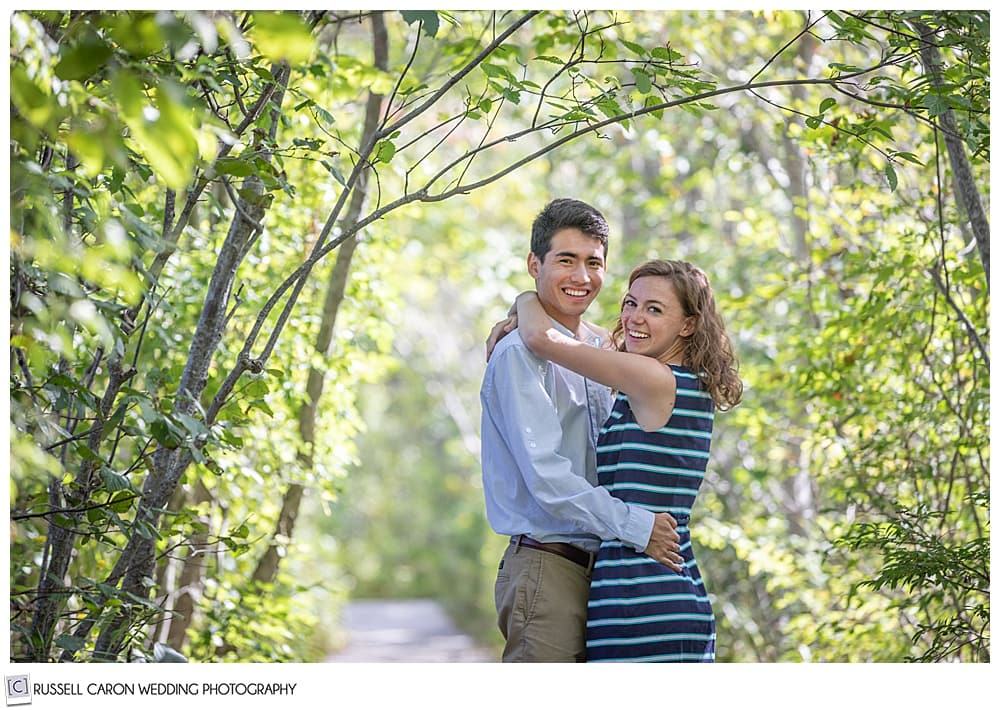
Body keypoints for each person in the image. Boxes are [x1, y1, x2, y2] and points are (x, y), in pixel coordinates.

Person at [480, 199, 684, 663]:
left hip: (613, 575)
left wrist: (523, 304)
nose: (581, 276)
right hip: (549, 568)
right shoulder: (517, 355)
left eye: (593, 262)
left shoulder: (602, 348)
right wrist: (638, 527)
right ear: (534, 264)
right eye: (565, 260)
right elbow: (547, 478)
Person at [513, 258, 742, 662]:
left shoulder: (654, 380)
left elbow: (543, 340)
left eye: (654, 309)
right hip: (630, 590)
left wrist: (528, 298)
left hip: (650, 597)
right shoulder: (669, 379)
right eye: (630, 303)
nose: (635, 317)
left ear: (688, 325)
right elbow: (588, 338)